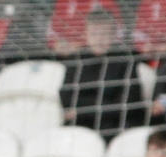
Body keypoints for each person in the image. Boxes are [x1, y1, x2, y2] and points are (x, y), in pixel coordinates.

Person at [58, 9, 147, 140]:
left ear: (114, 35)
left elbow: (129, 102)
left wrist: (82, 110)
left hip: (116, 126)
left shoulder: (125, 60)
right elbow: (66, 97)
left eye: (104, 35)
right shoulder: (75, 60)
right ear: (86, 34)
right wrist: (104, 104)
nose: (99, 40)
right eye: (94, 34)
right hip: (81, 125)